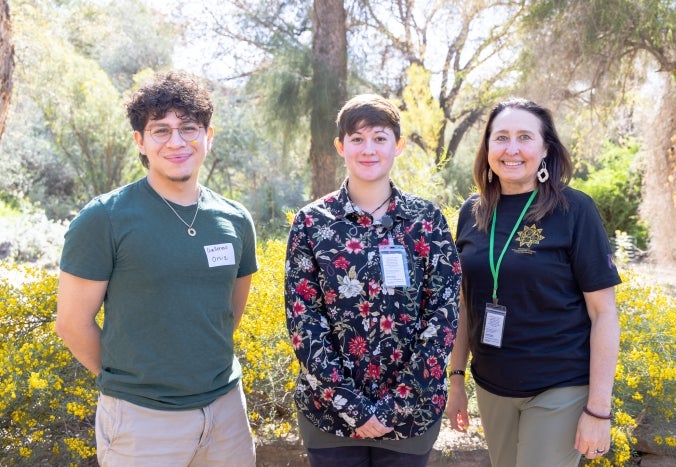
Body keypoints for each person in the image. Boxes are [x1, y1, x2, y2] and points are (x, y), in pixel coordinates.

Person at [55, 71, 258, 467]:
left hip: (226, 415)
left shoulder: (235, 219)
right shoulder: (105, 218)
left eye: (188, 128)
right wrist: (131, 380)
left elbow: (227, 314)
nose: (177, 141)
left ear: (208, 136)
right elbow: (72, 323)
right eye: (161, 130)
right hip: (141, 422)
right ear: (140, 142)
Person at [284, 94, 461, 467]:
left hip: (413, 415)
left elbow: (443, 315)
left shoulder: (426, 220)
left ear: (398, 146)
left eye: (380, 138)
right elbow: (304, 321)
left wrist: (397, 405)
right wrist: (352, 406)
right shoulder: (312, 222)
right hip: (328, 416)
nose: (369, 149)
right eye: (357, 138)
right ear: (340, 146)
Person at [445, 97, 621, 467]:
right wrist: (457, 379)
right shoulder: (471, 212)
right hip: (492, 387)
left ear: (545, 149)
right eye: (501, 137)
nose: (512, 149)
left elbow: (603, 313)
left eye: (525, 137)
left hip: (560, 386)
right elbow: (465, 303)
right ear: (488, 148)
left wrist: (599, 411)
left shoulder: (574, 211)